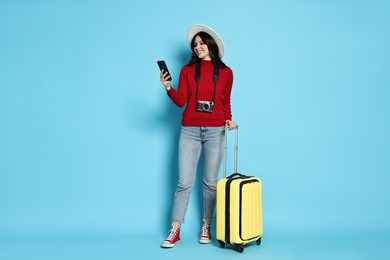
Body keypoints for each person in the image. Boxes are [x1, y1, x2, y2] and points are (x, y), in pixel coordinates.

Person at [159, 24, 237, 248]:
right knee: (184, 182)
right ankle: (175, 229)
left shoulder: (226, 72)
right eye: (195, 44)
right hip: (190, 130)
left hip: (216, 130)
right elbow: (182, 100)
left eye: (202, 43)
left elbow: (225, 101)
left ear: (211, 44)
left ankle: (206, 225)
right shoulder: (186, 71)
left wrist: (229, 118)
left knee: (210, 182)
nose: (198, 47)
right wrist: (168, 88)